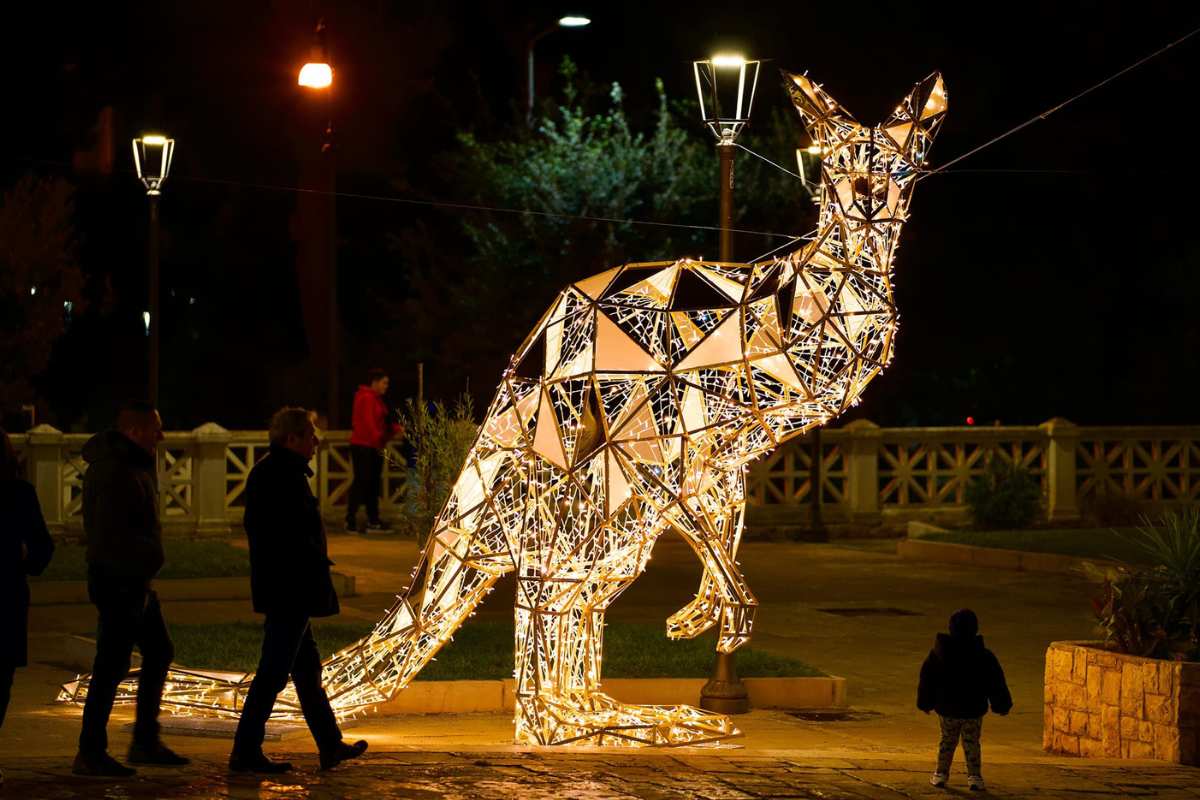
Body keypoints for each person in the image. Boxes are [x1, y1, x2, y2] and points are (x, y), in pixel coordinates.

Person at [230, 407, 367, 773]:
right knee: (273, 672)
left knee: (307, 672)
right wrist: (309, 562)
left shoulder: (280, 472)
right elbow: (282, 536)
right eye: (310, 436)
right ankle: (245, 750)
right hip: (289, 590)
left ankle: (329, 744)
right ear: (292, 439)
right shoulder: (278, 476)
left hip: (291, 588)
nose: (317, 443)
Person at [74, 402, 188, 777]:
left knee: (158, 651)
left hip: (134, 581)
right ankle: (91, 751)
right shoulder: (115, 472)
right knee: (111, 665)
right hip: (120, 582)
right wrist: (142, 563)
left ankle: (143, 741)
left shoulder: (131, 466)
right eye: (156, 428)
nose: (162, 436)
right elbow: (112, 536)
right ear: (135, 430)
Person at [0, 428, 55, 786]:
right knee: (0, 683)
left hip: (7, 597)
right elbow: (41, 548)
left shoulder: (19, 494)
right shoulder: (18, 493)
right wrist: (23, 559)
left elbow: (40, 548)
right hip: (6, 598)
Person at [917, 608, 1012, 792]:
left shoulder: (939, 653)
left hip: (947, 708)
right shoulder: (984, 655)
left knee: (947, 741)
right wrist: (1001, 704)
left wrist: (925, 702)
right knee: (972, 742)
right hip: (973, 708)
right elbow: (995, 681)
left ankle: (941, 774)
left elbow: (927, 679)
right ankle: (974, 777)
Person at [346, 368, 402, 533]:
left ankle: (373, 520)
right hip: (364, 446)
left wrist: (394, 429)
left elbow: (382, 422)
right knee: (362, 482)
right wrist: (381, 437)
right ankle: (351, 520)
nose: (386, 386)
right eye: (384, 383)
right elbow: (370, 424)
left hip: (372, 445)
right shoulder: (367, 398)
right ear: (375, 382)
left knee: (372, 484)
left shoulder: (376, 399)